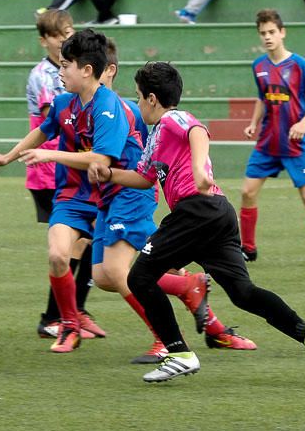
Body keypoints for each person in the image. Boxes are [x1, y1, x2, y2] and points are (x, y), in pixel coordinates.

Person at [87, 61, 305, 384]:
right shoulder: (155, 137)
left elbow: (197, 131)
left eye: (138, 97)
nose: (137, 104)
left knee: (139, 277)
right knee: (242, 292)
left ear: (152, 99)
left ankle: (178, 353)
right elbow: (143, 177)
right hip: (217, 214)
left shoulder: (172, 119)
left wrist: (198, 170)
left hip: (196, 210)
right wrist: (108, 173)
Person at [94, 39, 257, 363]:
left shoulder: (124, 109)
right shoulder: (79, 105)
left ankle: (168, 342)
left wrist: (45, 155)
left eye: (69, 66)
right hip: (106, 197)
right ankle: (202, 312)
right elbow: (143, 168)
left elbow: (188, 131)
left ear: (104, 72)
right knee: (104, 275)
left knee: (127, 273)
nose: (63, 73)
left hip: (135, 200)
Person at [26, 10, 107, 340]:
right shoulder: (49, 77)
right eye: (58, 36)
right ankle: (55, 317)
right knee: (73, 246)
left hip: (74, 170)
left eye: (68, 33)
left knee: (86, 243)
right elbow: (57, 123)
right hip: (52, 172)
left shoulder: (71, 69)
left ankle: (73, 313)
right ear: (44, 41)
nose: (64, 40)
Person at [239, 8, 305, 267]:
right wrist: (253, 123)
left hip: (295, 143)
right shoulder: (258, 65)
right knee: (247, 192)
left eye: (272, 32)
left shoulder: (300, 65)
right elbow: (262, 97)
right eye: (263, 33)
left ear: (282, 33)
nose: (268, 37)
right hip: (269, 142)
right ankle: (248, 249)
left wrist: (304, 123)